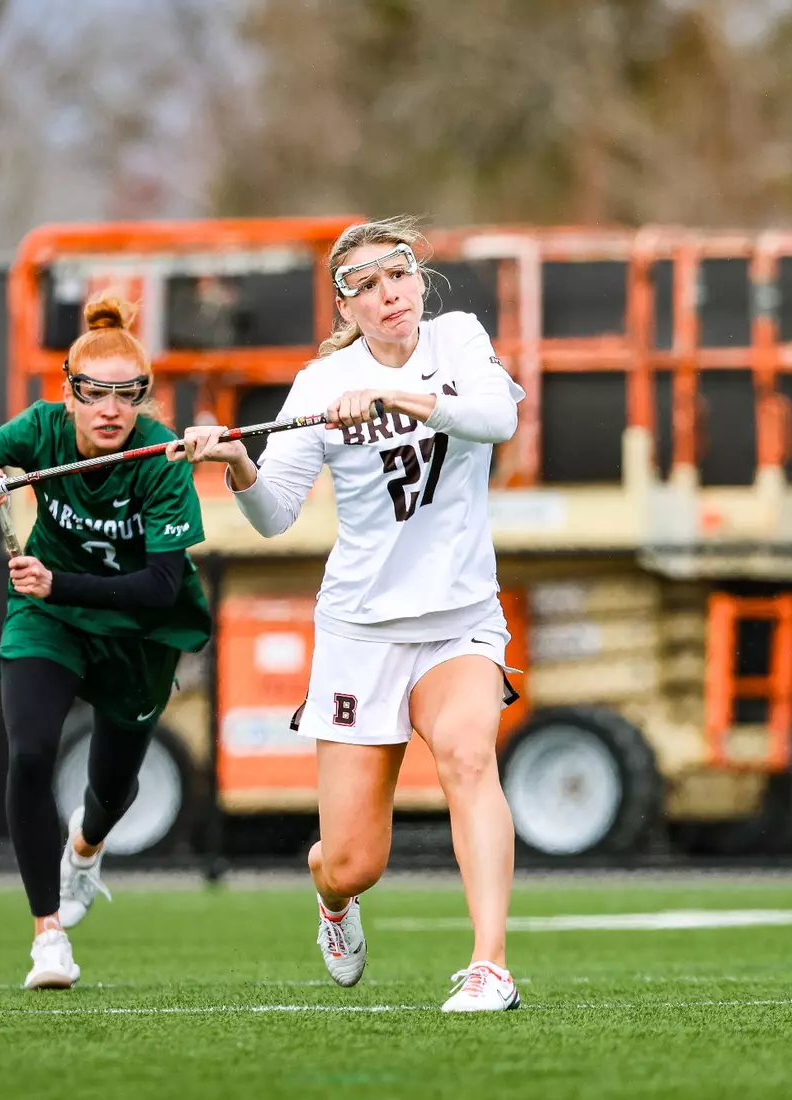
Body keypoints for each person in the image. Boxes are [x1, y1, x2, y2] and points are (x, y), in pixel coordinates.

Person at [172, 217, 527, 1012]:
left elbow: (496, 420)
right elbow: (274, 516)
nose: (386, 294)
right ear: (346, 310)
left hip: (459, 620)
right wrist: (236, 463)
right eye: (362, 286)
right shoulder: (320, 387)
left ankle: (490, 966)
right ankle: (331, 898)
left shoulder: (460, 340)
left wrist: (401, 398)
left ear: (416, 279)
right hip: (361, 633)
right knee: (354, 860)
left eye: (395, 274)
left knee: (470, 756)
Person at [0, 293, 211, 990]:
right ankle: (48, 936)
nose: (110, 410)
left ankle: (87, 847)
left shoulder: (161, 457)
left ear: (144, 398)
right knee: (32, 750)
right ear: (69, 394)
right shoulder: (41, 431)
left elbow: (162, 586)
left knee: (111, 790)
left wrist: (58, 583)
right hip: (47, 622)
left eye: (126, 395)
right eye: (94, 394)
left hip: (138, 633)